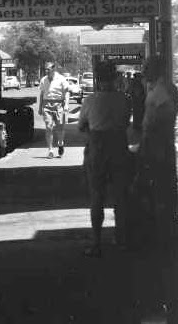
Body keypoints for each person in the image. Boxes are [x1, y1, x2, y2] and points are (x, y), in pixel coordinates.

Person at [77, 63, 132, 257]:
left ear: (98, 80)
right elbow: (126, 122)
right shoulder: (124, 100)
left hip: (97, 149)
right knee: (120, 197)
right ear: (114, 79)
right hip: (119, 147)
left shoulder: (90, 100)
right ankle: (121, 240)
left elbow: (81, 126)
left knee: (96, 196)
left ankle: (96, 242)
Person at [138, 55, 178, 250]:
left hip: (158, 145)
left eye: (147, 68)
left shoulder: (163, 90)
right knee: (157, 187)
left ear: (156, 69)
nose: (143, 71)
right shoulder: (156, 88)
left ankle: (165, 235)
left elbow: (165, 115)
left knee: (161, 188)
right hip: (154, 143)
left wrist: (151, 139)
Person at [38, 61, 70, 158]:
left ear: (53, 69)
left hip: (59, 104)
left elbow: (67, 92)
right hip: (47, 105)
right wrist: (40, 107)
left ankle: (60, 143)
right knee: (49, 127)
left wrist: (66, 104)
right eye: (45, 69)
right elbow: (42, 94)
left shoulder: (61, 79)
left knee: (60, 127)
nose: (46, 71)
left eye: (48, 69)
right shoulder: (44, 80)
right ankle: (50, 150)